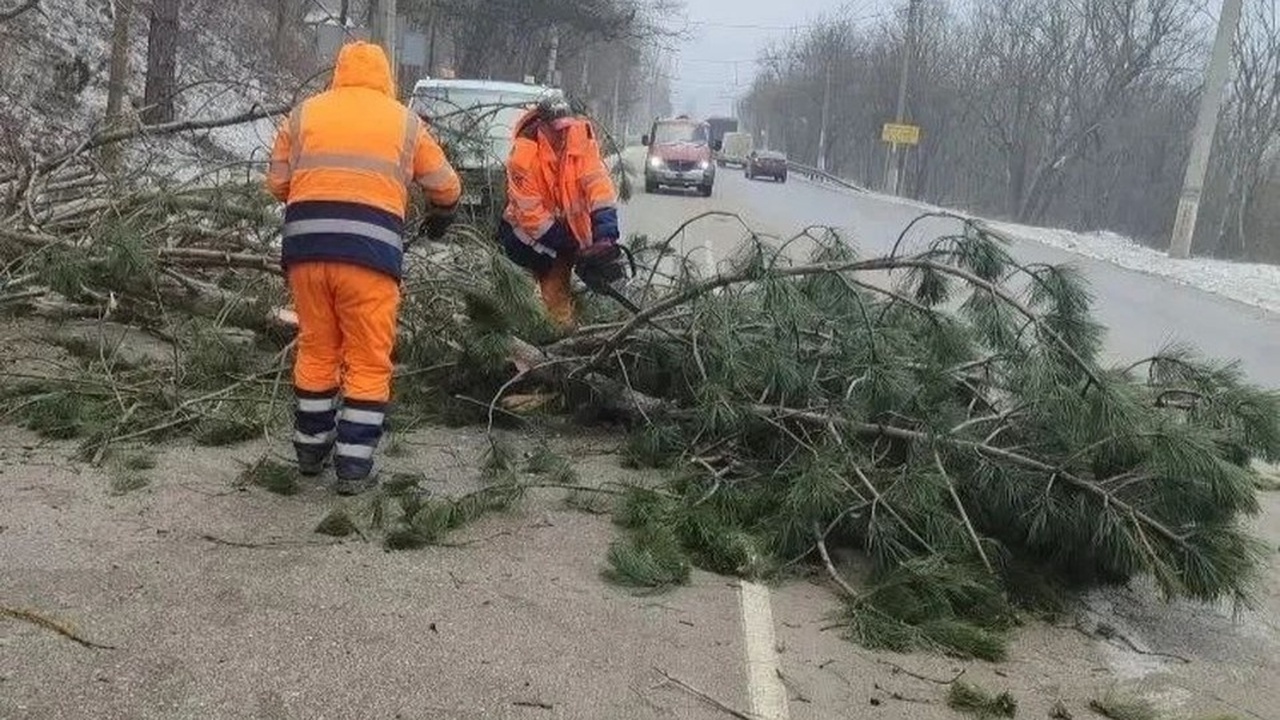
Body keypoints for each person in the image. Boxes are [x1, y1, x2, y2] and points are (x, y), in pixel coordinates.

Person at [265, 41, 462, 494]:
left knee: (316, 348)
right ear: (385, 77)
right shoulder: (405, 122)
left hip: (306, 252)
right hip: (369, 257)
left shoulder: (303, 115)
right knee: (368, 358)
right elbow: (445, 186)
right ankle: (353, 466)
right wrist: (441, 213)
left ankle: (310, 451)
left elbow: (277, 183)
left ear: (339, 72)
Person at [497, 95, 627, 329]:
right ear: (542, 126)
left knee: (558, 302)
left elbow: (600, 187)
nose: (562, 135)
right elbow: (531, 216)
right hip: (525, 240)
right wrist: (572, 247)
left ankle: (557, 338)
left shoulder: (581, 145)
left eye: (566, 128)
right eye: (557, 130)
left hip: (561, 239)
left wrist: (605, 235)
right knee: (523, 300)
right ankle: (521, 340)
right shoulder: (524, 158)